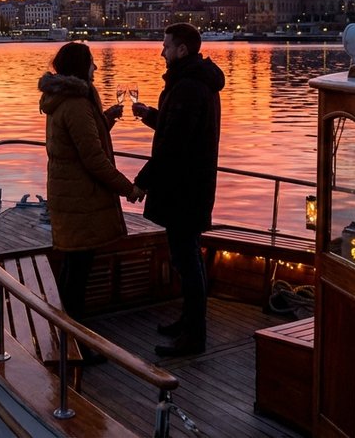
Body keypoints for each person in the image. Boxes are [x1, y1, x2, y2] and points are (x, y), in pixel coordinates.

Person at [38, 42, 144, 360]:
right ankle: (75, 345)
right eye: (92, 64)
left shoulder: (64, 101)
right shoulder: (77, 105)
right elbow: (94, 159)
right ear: (81, 67)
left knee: (74, 267)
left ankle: (69, 337)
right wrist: (129, 188)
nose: (96, 69)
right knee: (77, 274)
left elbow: (80, 141)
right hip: (81, 199)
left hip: (70, 196)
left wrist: (105, 119)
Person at [131, 23, 225, 357]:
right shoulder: (197, 83)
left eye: (166, 46)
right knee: (188, 257)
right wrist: (150, 115)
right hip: (193, 185)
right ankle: (188, 321)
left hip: (185, 188)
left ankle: (194, 336)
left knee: (187, 261)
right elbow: (179, 126)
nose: (161, 52)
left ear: (182, 50)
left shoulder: (187, 87)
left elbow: (173, 144)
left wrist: (142, 181)